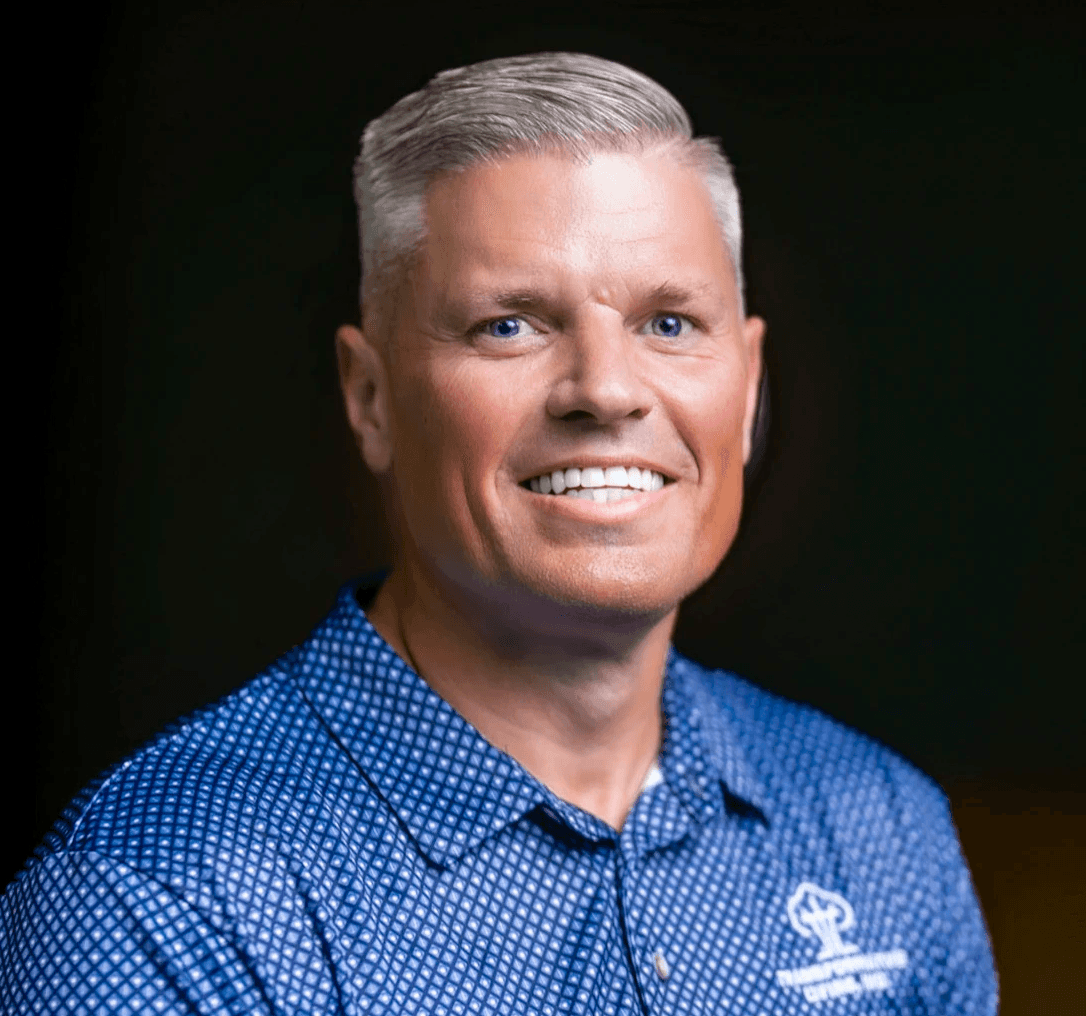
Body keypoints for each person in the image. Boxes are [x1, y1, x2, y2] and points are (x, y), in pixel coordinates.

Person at [2, 53, 996, 1014]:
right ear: (373, 397)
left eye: (669, 323)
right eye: (509, 324)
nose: (604, 388)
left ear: (745, 389)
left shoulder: (883, 828)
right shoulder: (156, 895)